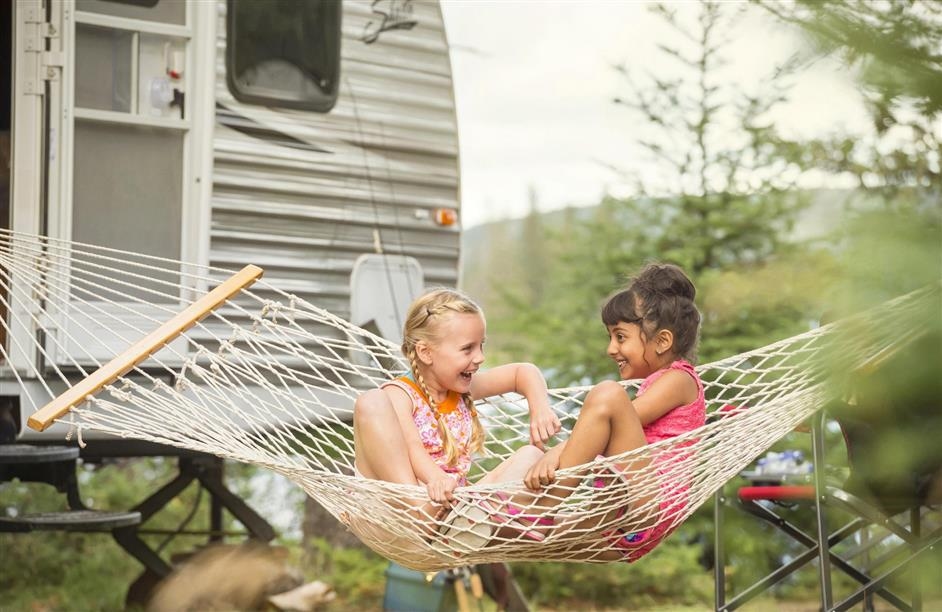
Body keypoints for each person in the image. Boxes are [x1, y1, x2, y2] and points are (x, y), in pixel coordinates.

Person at [523, 262, 706, 561]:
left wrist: (558, 452)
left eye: (620, 337)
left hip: (646, 508)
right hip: (616, 517)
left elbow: (624, 415)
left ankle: (544, 507)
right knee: (526, 536)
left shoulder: (680, 379)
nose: (610, 349)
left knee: (607, 395)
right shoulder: (661, 381)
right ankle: (473, 526)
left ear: (662, 342)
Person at [353, 287, 561, 538]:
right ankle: (426, 514)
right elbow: (412, 449)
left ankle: (482, 518)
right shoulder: (401, 395)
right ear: (426, 352)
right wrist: (435, 480)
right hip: (403, 507)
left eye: (481, 346)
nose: (480, 357)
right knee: (371, 402)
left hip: (452, 507)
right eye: (467, 349)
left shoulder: (460, 389)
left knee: (531, 454)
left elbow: (523, 372)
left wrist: (540, 408)